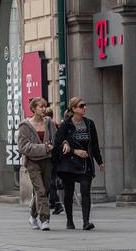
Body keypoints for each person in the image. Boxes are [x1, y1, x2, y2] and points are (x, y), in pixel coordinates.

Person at [53, 97, 104, 231]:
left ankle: (86, 222)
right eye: (81, 106)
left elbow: (94, 145)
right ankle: (69, 221)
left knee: (86, 190)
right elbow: (57, 143)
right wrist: (74, 151)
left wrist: (100, 162)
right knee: (68, 193)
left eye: (85, 105)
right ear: (74, 109)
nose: (84, 108)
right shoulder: (66, 125)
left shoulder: (89, 124)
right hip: (69, 164)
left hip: (86, 163)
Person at [17, 97, 56, 230]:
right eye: (41, 107)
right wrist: (44, 148)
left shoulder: (49, 123)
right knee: (40, 190)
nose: (44, 109)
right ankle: (45, 219)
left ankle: (33, 216)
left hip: (47, 161)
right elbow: (23, 147)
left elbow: (55, 140)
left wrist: (57, 146)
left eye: (45, 106)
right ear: (33, 109)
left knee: (43, 190)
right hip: (32, 162)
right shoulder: (25, 126)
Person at [45, 107, 63, 215]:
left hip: (51, 157)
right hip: (55, 157)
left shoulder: (50, 124)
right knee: (51, 181)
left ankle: (56, 203)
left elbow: (55, 140)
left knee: (50, 181)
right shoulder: (55, 124)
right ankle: (53, 202)